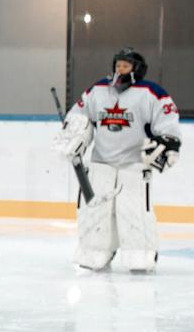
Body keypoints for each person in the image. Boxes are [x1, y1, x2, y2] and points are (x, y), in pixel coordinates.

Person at [53, 48, 182, 274]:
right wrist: (74, 136)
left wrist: (169, 143)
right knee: (94, 211)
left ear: (137, 69)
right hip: (100, 163)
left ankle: (139, 256)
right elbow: (80, 116)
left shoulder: (152, 92)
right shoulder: (98, 90)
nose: (120, 69)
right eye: (118, 65)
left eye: (125, 65)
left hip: (134, 165)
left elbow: (167, 122)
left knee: (134, 211)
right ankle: (94, 253)